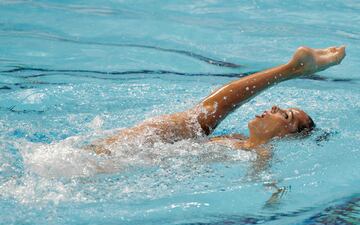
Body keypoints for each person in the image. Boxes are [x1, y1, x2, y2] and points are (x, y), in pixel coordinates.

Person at [87, 46, 346, 157]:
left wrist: (259, 144)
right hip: (101, 157)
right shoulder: (237, 140)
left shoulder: (258, 151)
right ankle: (291, 70)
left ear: (287, 135)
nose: (275, 108)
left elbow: (267, 189)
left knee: (197, 121)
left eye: (286, 116)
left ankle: (292, 70)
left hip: (102, 168)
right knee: (197, 121)